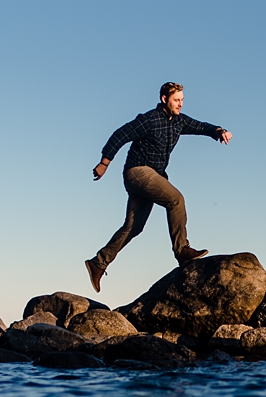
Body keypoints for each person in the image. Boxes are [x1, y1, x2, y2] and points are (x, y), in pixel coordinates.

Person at [85, 82, 232, 293]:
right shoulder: (149, 120)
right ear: (164, 99)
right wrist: (105, 162)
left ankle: (98, 263)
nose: (180, 104)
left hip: (152, 176)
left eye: (182, 100)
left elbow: (201, 127)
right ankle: (182, 249)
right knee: (176, 199)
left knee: (134, 227)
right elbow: (120, 134)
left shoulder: (179, 122)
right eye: (176, 100)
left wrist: (219, 131)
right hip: (137, 172)